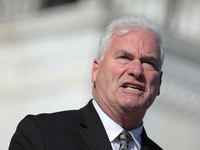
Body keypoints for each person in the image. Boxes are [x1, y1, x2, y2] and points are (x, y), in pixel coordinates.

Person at [9, 16, 164, 150]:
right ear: (96, 70)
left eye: (148, 63)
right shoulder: (42, 135)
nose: (136, 71)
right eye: (124, 57)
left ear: (159, 82)